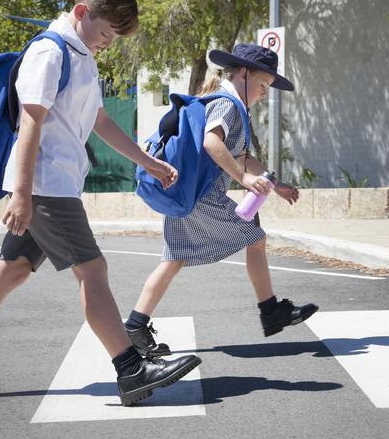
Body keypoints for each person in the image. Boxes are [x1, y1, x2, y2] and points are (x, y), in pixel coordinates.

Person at [0, 0, 200, 407]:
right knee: (93, 271)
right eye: (106, 32)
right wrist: (23, 195)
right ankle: (131, 369)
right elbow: (31, 124)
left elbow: (99, 121)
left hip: (53, 184)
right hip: (46, 188)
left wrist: (149, 162)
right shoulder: (50, 53)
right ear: (82, 13)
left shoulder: (81, 54)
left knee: (10, 272)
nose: (108, 41)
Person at [124, 43, 319, 357]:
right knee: (256, 238)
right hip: (203, 197)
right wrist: (243, 179)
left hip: (185, 194)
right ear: (243, 74)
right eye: (262, 84)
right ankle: (270, 311)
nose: (264, 93)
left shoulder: (227, 104)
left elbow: (241, 156)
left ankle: (135, 324)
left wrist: (275, 184)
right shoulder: (228, 104)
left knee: (173, 259)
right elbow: (211, 142)